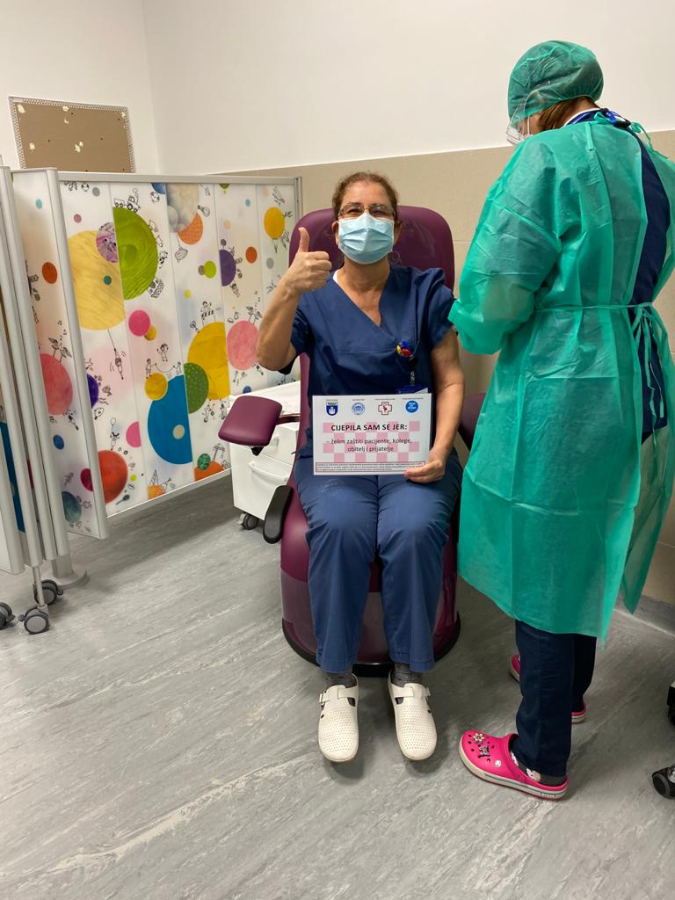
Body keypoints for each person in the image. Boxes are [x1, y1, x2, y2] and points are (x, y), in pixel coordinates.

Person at [450, 40, 675, 799]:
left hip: (564, 381)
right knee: (584, 537)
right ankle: (567, 689)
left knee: (543, 551)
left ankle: (539, 754)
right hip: (634, 374)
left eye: (518, 120)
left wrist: (470, 328)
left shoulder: (542, 159)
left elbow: (495, 292)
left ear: (536, 106)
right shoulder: (652, 160)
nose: (518, 132)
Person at [257, 172, 464, 763]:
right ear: (335, 224)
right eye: (352, 210)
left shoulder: (424, 291)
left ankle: (410, 678)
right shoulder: (312, 296)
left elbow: (451, 379)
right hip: (335, 457)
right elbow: (270, 357)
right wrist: (286, 289)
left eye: (378, 211)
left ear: (395, 229)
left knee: (414, 527)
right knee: (342, 526)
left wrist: (441, 450)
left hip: (413, 453)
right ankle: (338, 683)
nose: (365, 220)